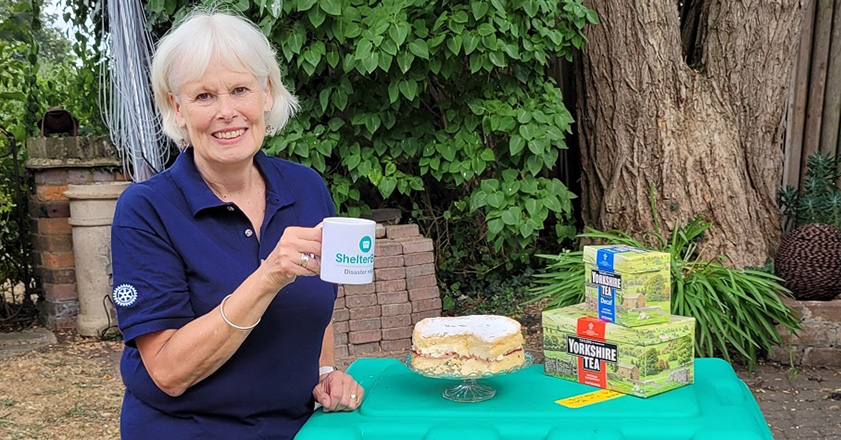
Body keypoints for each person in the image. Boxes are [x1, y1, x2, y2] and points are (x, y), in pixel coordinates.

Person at [110, 10, 364, 439]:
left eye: (240, 89)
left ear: (266, 94)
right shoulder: (146, 210)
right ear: (178, 108)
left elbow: (320, 305)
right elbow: (169, 372)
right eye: (204, 96)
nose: (227, 112)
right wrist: (268, 277)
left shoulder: (305, 187)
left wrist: (325, 371)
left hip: (297, 428)